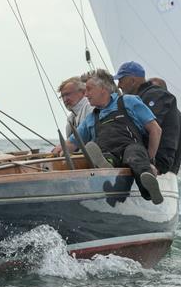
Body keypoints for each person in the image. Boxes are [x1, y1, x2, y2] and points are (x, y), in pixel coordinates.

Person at [53, 69, 164, 204]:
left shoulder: (128, 101)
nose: (86, 95)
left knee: (135, 156)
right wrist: (57, 151)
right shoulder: (91, 118)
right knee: (105, 156)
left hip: (132, 149)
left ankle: (149, 189)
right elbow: (71, 143)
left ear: (103, 89)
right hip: (110, 154)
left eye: (89, 89)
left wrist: (150, 160)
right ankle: (108, 168)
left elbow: (155, 130)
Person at [112, 61, 181, 175]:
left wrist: (150, 161)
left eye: (121, 80)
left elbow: (148, 130)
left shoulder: (156, 95)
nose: (119, 85)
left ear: (132, 81)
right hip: (155, 166)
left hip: (158, 168)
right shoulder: (142, 98)